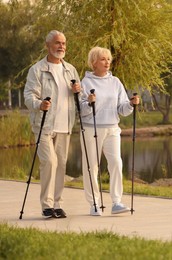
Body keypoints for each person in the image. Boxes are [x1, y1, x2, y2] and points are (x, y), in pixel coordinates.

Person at [24, 30, 81, 219]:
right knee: (49, 162)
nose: (61, 46)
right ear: (48, 45)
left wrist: (77, 91)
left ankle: (57, 204)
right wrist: (39, 104)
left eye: (64, 43)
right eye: (57, 43)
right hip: (44, 125)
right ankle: (47, 205)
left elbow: (78, 95)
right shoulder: (37, 69)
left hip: (65, 125)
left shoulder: (70, 69)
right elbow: (29, 95)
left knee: (61, 165)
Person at [80, 46, 139, 216]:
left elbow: (122, 108)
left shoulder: (115, 82)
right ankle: (94, 204)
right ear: (94, 63)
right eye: (103, 59)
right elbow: (81, 109)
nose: (107, 62)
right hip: (92, 129)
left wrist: (131, 104)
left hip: (112, 128)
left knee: (116, 163)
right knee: (92, 167)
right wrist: (89, 102)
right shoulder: (86, 82)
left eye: (108, 59)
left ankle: (116, 202)